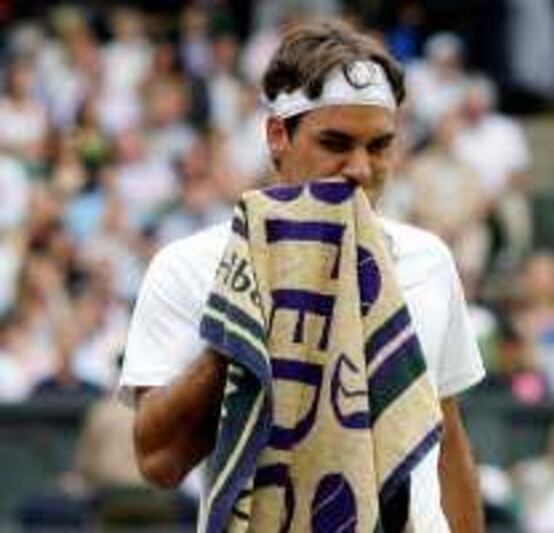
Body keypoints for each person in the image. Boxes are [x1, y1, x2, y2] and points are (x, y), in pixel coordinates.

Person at [118, 20, 486, 532]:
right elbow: (160, 462)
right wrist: (248, 313)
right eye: (335, 142)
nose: (359, 167)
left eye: (379, 146)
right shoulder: (192, 265)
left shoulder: (427, 260)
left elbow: (443, 437)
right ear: (278, 136)